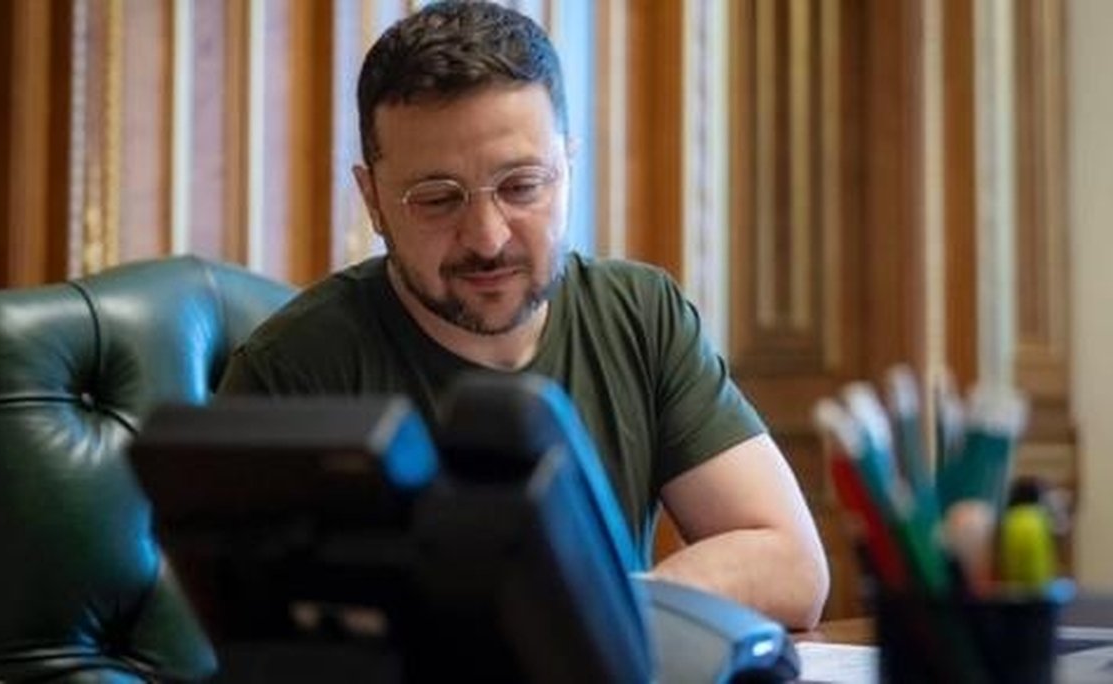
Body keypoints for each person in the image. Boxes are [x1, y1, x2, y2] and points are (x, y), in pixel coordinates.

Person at [218, 0, 829, 629]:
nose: (487, 237)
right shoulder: (289, 372)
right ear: (372, 199)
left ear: (568, 168)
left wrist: (595, 609)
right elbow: (252, 635)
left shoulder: (641, 316)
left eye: (522, 186)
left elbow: (793, 566)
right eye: (437, 198)